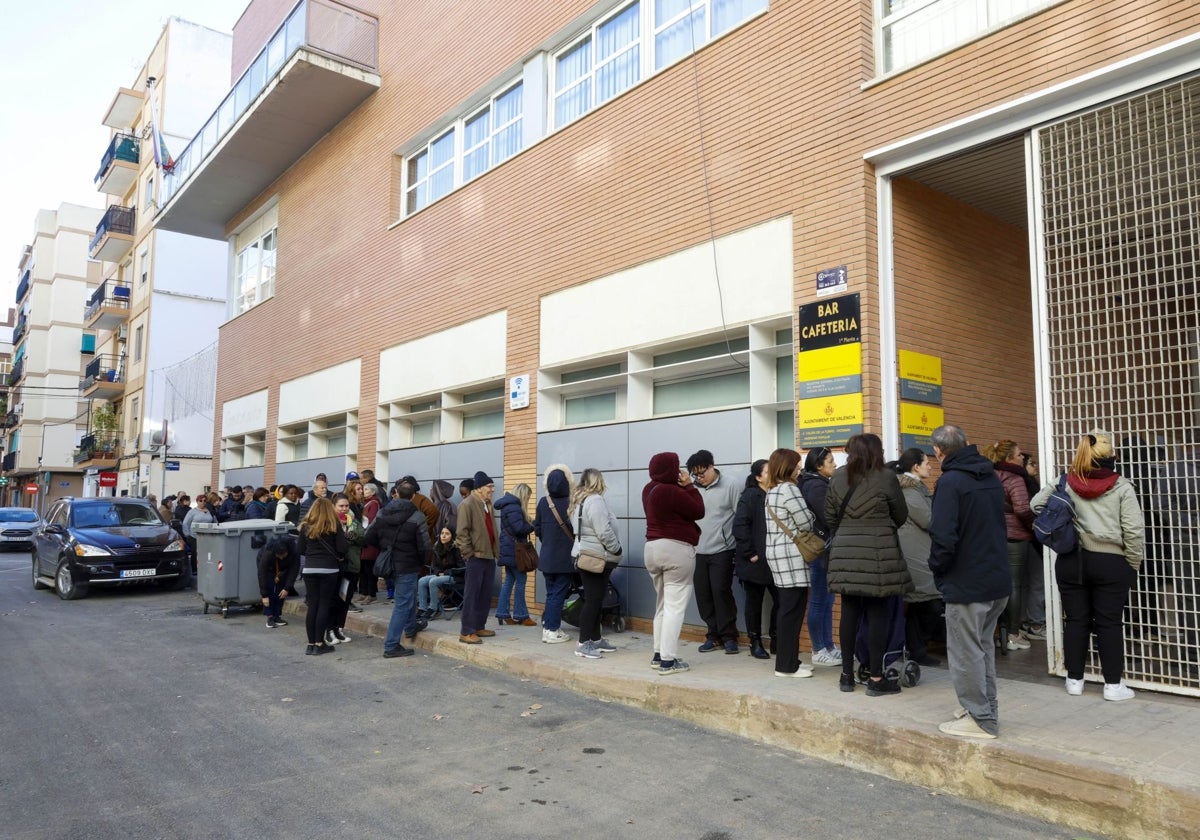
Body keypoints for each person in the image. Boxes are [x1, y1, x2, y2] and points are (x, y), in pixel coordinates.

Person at [1032, 430, 1145, 702]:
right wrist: (1132, 564)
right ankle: (1113, 686)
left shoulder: (1065, 480)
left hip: (1071, 560)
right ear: (1112, 456)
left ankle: (1074, 681)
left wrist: (1066, 523)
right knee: (1109, 623)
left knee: (1076, 620)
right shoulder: (1122, 486)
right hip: (1110, 561)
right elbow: (1133, 531)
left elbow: (1037, 505)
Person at [928, 424, 1011, 738]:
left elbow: (943, 537)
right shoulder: (988, 474)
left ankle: (980, 719)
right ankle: (983, 709)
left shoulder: (950, 482)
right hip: (995, 578)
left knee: (966, 653)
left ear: (939, 451)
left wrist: (938, 570)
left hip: (966, 582)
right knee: (982, 649)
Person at [825, 433, 911, 696]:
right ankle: (876, 678)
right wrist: (880, 529)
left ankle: (846, 676)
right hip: (877, 555)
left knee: (849, 612)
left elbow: (829, 517)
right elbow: (901, 515)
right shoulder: (885, 477)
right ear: (877, 451)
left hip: (844, 554)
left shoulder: (838, 477)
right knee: (877, 615)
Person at [642, 452, 704, 675]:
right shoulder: (672, 491)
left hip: (652, 549)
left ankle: (658, 655)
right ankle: (669, 660)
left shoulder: (648, 489)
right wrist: (689, 486)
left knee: (662, 604)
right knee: (675, 608)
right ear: (672, 469)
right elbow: (698, 510)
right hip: (676, 551)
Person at [762, 448, 816, 678]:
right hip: (791, 556)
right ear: (787, 467)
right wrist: (812, 516)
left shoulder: (772, 491)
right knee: (791, 611)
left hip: (777, 554)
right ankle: (786, 666)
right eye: (796, 464)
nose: (800, 468)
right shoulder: (789, 489)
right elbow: (805, 522)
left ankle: (789, 660)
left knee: (786, 609)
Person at [982, 440, 1038, 652]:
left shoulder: (988, 475)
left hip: (992, 536)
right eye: (1018, 454)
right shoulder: (1015, 478)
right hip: (1015, 536)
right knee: (1013, 585)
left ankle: (999, 632)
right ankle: (1013, 634)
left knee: (997, 584)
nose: (1022, 457)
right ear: (1008, 458)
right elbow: (1023, 508)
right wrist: (1035, 527)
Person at [369, 482, 434, 658]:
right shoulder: (417, 516)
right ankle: (391, 645)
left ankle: (411, 626)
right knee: (402, 604)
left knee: (408, 597)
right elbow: (425, 545)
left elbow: (369, 535)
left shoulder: (382, 512)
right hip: (408, 563)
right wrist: (420, 561)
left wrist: (385, 548)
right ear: (413, 496)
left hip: (389, 563)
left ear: (396, 493)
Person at [686, 449, 742, 654]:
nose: (699, 477)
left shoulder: (731, 485)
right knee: (703, 594)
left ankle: (729, 637)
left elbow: (740, 516)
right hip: (697, 550)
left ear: (712, 466)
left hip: (723, 549)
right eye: (695, 474)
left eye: (702, 473)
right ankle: (713, 634)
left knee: (721, 592)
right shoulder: (691, 488)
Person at [892, 448, 942, 667]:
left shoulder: (916, 489)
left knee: (923, 603)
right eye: (926, 463)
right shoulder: (909, 492)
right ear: (915, 467)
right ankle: (917, 650)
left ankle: (917, 649)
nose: (930, 466)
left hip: (920, 550)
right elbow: (929, 520)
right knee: (926, 602)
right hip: (915, 554)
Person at [571, 468, 623, 659]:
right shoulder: (596, 501)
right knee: (593, 601)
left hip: (585, 554)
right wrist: (616, 549)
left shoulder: (580, 501)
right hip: (597, 557)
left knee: (594, 599)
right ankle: (583, 643)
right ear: (598, 481)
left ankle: (595, 639)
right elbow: (603, 530)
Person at [798, 446, 839, 666]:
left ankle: (829, 646)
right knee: (818, 601)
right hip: (820, 549)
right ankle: (818, 648)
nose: (834, 464)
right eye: (831, 461)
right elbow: (828, 516)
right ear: (818, 465)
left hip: (827, 549)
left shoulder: (821, 482)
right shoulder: (815, 485)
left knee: (828, 599)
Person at [732, 459, 776, 660]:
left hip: (774, 560)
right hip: (754, 562)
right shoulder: (750, 496)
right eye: (768, 472)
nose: (772, 474)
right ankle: (755, 642)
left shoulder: (775, 494)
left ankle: (776, 638)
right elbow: (740, 527)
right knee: (754, 603)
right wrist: (751, 554)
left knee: (782, 600)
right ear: (758, 477)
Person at [297, 498, 347, 656]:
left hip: (310, 569)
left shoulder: (305, 526)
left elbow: (300, 549)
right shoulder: (334, 525)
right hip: (329, 569)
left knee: (313, 606)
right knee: (324, 605)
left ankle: (311, 643)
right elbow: (342, 549)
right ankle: (320, 642)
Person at [532, 463, 575, 644]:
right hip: (565, 558)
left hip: (547, 557)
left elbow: (537, 528)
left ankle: (549, 627)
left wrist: (548, 542)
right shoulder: (572, 502)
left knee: (551, 594)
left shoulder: (543, 502)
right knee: (559, 594)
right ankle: (551, 630)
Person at [455, 471, 500, 644]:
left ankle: (479, 626)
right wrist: (469, 554)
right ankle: (466, 631)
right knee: (472, 595)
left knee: (485, 594)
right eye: (489, 487)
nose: (492, 489)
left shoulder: (487, 503)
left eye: (492, 486)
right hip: (476, 557)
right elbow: (462, 532)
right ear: (479, 488)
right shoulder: (468, 504)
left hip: (488, 556)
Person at [495, 482, 537, 626]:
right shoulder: (514, 507)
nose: (528, 500)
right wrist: (532, 526)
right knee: (521, 581)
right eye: (528, 497)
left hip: (508, 550)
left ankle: (503, 613)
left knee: (509, 581)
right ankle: (522, 615)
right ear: (523, 494)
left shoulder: (507, 506)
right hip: (515, 551)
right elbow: (519, 529)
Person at [325, 493, 365, 644]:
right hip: (335, 566)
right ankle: (328, 630)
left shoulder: (353, 521)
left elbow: (363, 537)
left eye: (346, 506)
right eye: (341, 506)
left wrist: (352, 535)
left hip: (351, 565)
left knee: (345, 600)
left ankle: (339, 628)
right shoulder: (329, 521)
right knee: (333, 599)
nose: (344, 509)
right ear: (333, 506)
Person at [418, 527, 463, 620]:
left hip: (454, 576)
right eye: (442, 533)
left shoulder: (456, 549)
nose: (444, 536)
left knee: (433, 581)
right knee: (422, 581)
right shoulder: (437, 548)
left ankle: (433, 608)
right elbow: (434, 566)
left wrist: (446, 573)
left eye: (447, 534)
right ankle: (422, 608)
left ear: (452, 536)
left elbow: (461, 567)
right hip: (440, 575)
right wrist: (438, 572)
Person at [257, 535, 299, 628]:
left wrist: (287, 588)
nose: (281, 558)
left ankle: (277, 615)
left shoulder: (294, 553)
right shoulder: (267, 553)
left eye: (283, 555)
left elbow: (294, 571)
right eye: (278, 556)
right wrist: (264, 594)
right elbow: (262, 573)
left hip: (283, 569)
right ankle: (270, 616)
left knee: (281, 592)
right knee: (270, 589)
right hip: (269, 568)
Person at [357, 483, 383, 604]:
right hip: (363, 538)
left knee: (369, 568)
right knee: (363, 568)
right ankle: (363, 591)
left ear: (373, 492)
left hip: (369, 539)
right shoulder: (365, 503)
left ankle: (371, 593)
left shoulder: (374, 503)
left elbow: (372, 521)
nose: (363, 491)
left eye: (366, 489)